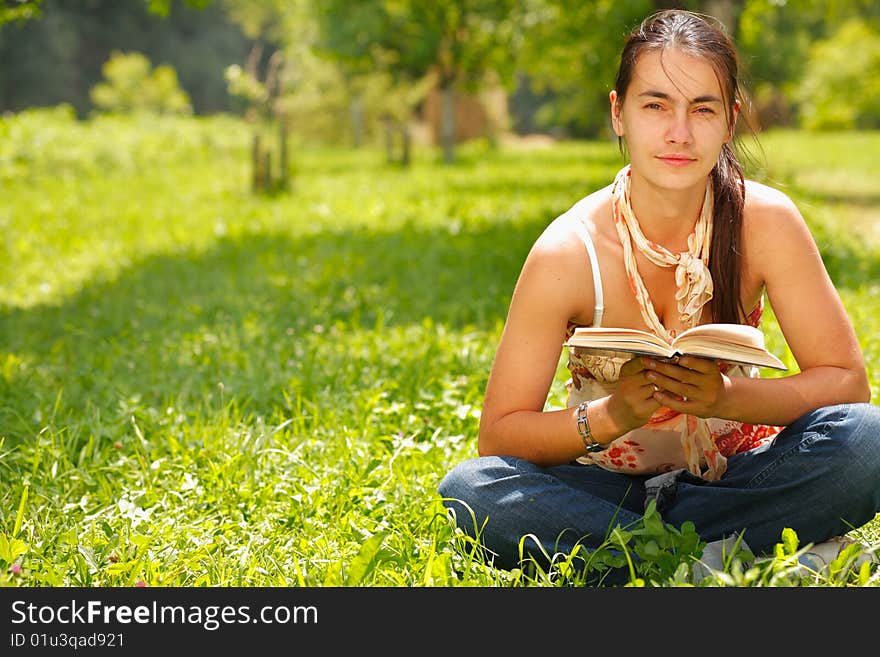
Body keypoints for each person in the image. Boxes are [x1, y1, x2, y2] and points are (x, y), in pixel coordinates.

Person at [438, 9, 880, 582]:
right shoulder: (568, 252)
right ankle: (732, 555)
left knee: (867, 441)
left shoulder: (764, 221)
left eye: (702, 109)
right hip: (607, 493)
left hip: (739, 476)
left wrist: (724, 399)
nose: (679, 132)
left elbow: (846, 384)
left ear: (730, 121)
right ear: (618, 114)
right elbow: (499, 435)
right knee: (471, 491)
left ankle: (657, 559)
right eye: (655, 105)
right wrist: (615, 413)